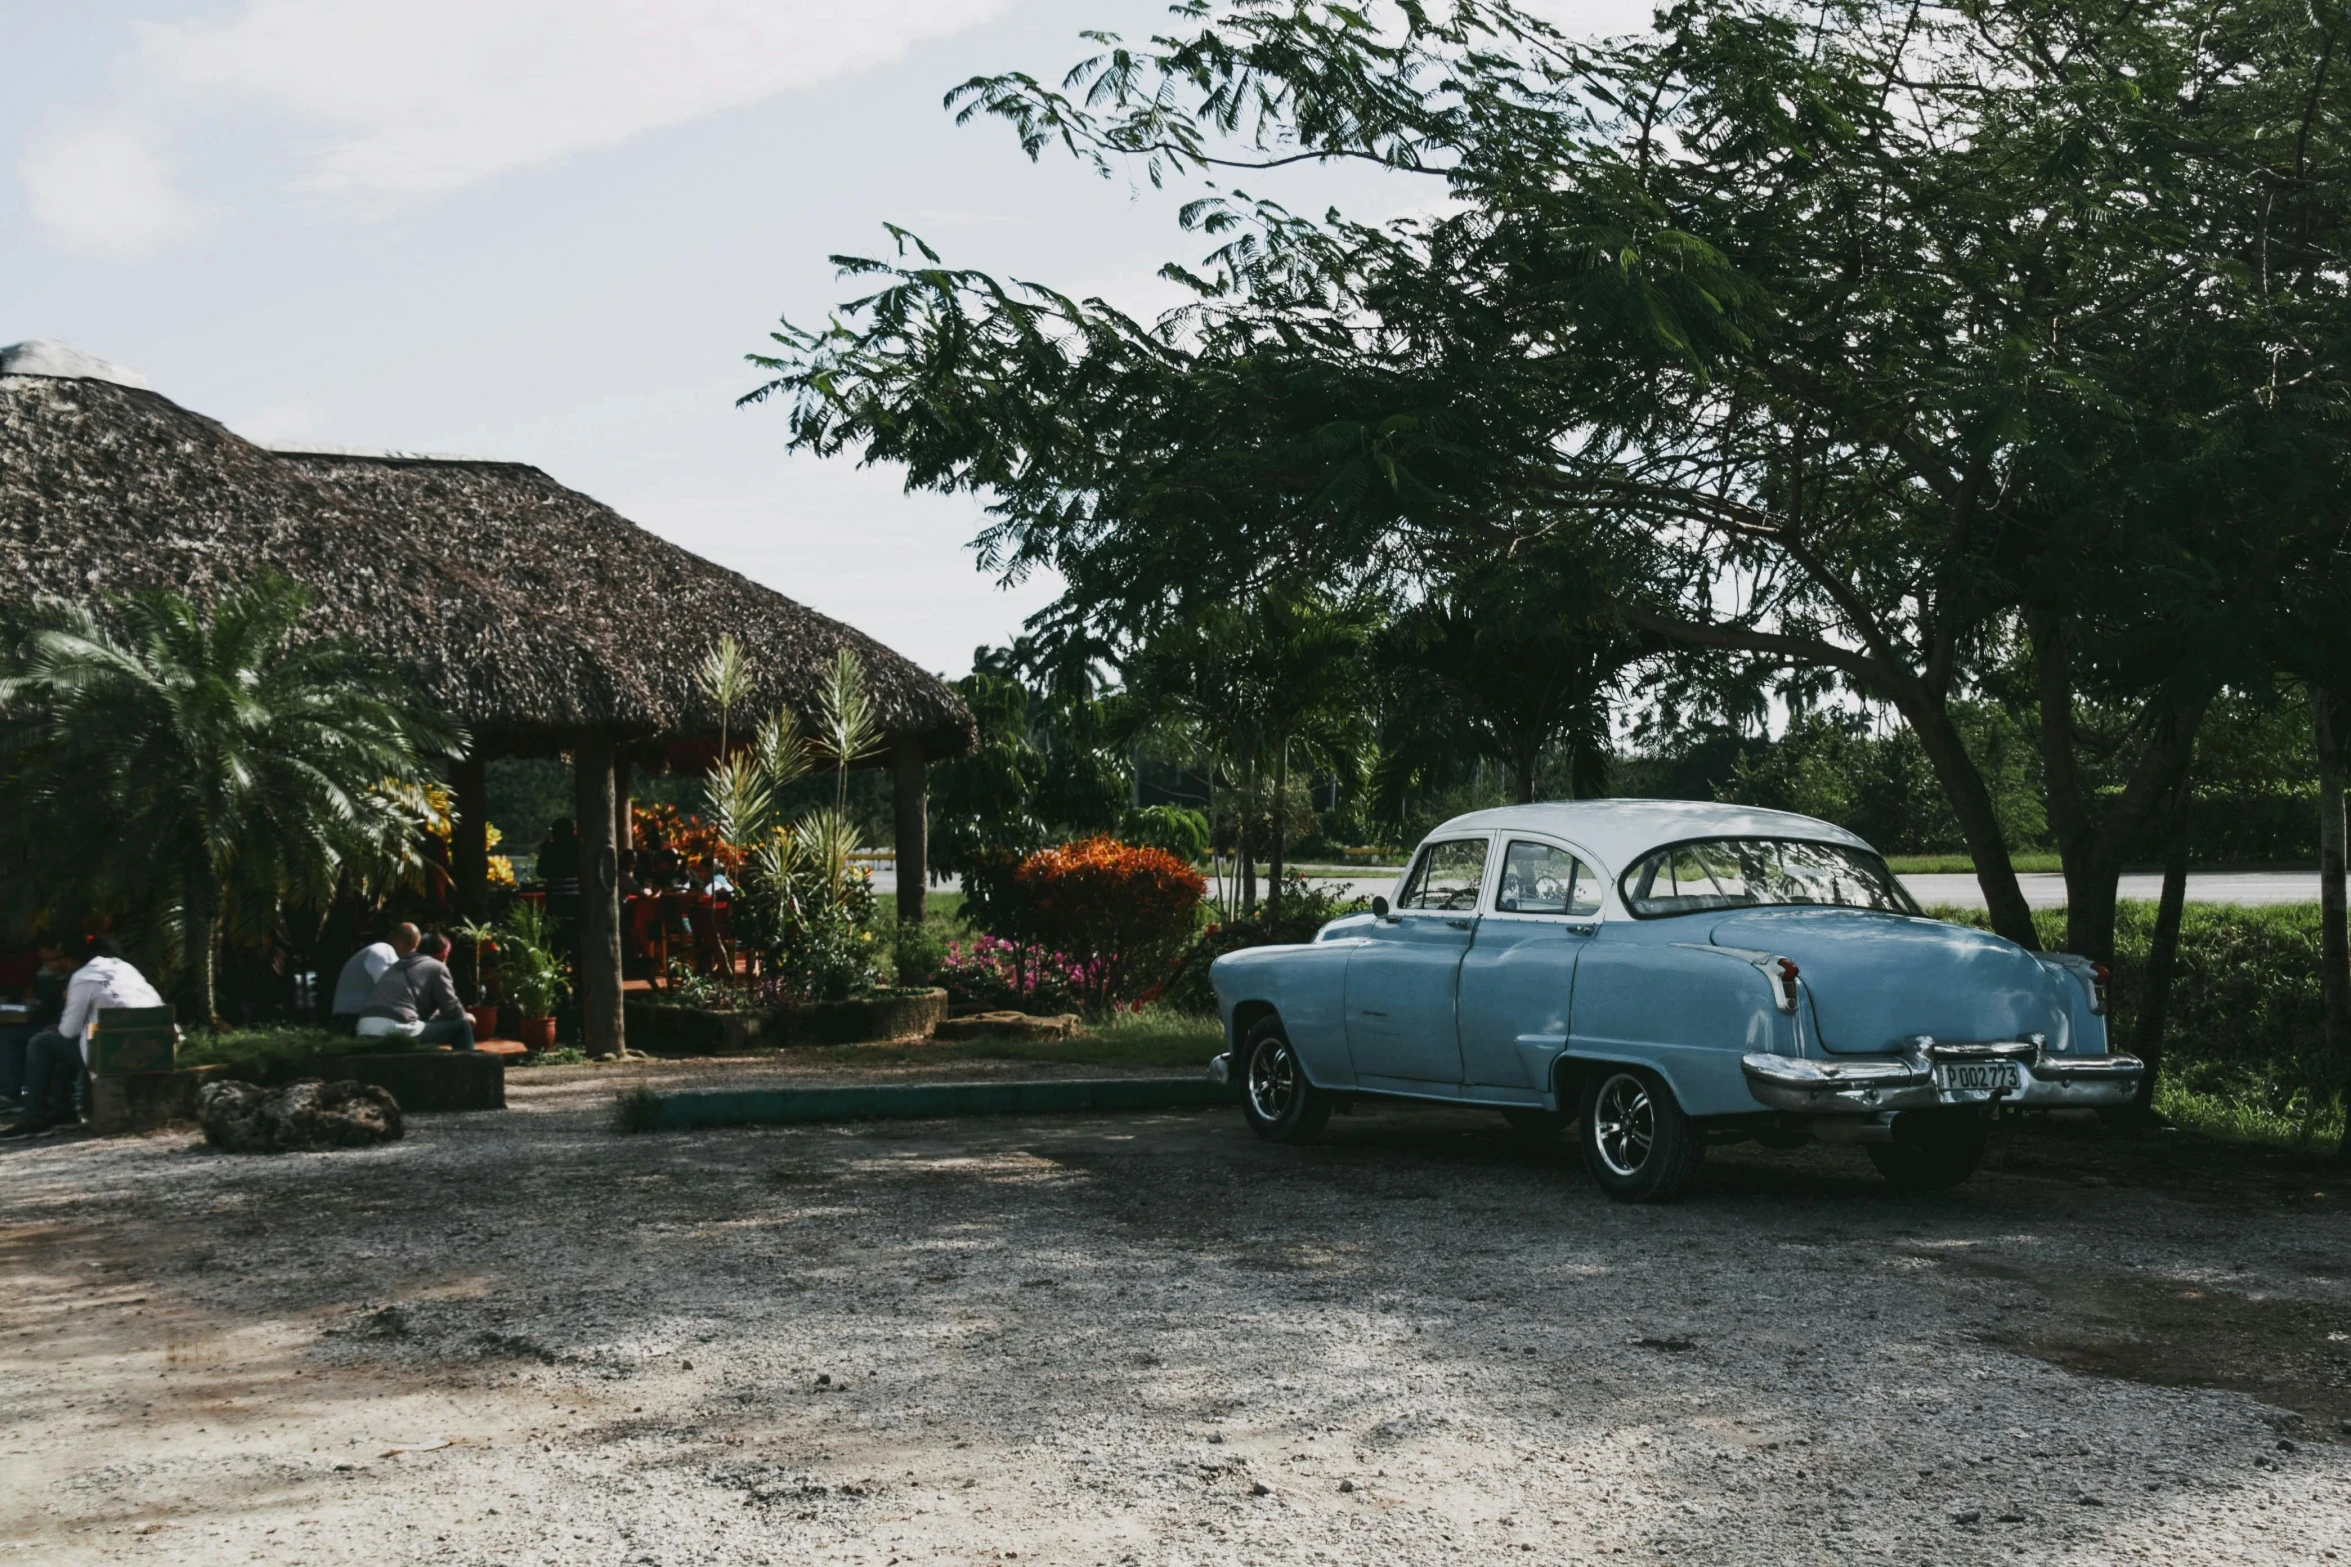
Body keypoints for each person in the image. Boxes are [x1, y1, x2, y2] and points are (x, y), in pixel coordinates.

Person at [2, 935, 164, 1136]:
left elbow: (68, 1030)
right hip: (157, 1047)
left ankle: (33, 1115)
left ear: (70, 959)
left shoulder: (83, 977)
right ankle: (64, 1109)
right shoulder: (126, 969)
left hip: (115, 1054)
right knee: (61, 1045)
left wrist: (61, 1027)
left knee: (41, 1043)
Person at [355, 931, 475, 1051]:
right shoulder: (436, 967)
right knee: (462, 1025)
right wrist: (466, 1016)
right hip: (396, 1028)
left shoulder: (395, 966)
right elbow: (452, 1010)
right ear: (443, 955)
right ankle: (469, 1066)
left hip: (364, 1030)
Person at [0, 940, 71, 1112]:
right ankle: (10, 1094)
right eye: (47, 960)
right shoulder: (43, 975)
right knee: (8, 1034)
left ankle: (32, 1101)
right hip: (47, 1023)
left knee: (36, 1041)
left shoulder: (77, 977)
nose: (53, 964)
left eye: (56, 959)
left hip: (67, 1029)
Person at [329, 924, 415, 1034]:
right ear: (410, 944)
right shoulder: (384, 951)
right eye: (414, 948)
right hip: (355, 1019)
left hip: (347, 1018)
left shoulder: (373, 951)